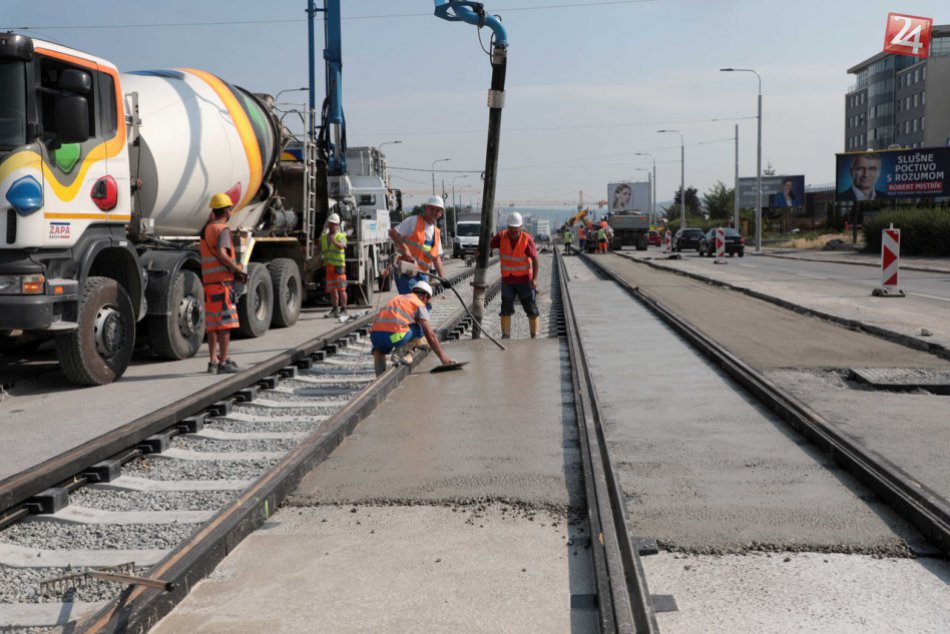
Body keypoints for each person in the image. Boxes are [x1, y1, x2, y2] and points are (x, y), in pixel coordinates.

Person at [201, 193, 248, 374]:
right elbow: (222, 253)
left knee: (213, 325)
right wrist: (237, 269)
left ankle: (213, 361)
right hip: (223, 283)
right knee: (226, 324)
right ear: (227, 211)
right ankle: (224, 361)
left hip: (209, 284)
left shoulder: (207, 230)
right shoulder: (223, 230)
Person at [369, 280, 454, 376]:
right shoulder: (419, 304)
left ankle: (380, 377)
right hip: (394, 337)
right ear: (425, 297)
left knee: (380, 351)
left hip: (375, 338)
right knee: (419, 329)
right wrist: (443, 358)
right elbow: (430, 335)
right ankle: (399, 353)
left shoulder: (398, 298)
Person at [490, 212, 540, 339]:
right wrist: (480, 251)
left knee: (531, 308)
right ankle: (505, 336)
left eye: (515, 229)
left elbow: (535, 260)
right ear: (507, 227)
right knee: (505, 309)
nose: (512, 232)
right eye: (510, 228)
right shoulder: (501, 237)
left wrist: (534, 278)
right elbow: (488, 245)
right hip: (507, 281)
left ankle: (534, 335)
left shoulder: (527, 239)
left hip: (524, 281)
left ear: (520, 227)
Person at [388, 195, 449, 295]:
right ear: (426, 208)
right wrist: (405, 249)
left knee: (422, 303)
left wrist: (443, 278)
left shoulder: (436, 233)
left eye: (438, 210)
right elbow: (393, 233)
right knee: (413, 302)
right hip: (406, 270)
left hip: (422, 274)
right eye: (432, 209)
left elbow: (436, 258)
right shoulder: (413, 221)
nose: (434, 212)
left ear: (441, 213)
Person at [320, 212, 347, 318]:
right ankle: (335, 309)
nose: (330, 225)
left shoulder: (342, 235)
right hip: (329, 266)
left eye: (332, 223)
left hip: (338, 266)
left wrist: (334, 241)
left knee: (341, 289)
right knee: (332, 289)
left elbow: (343, 246)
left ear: (337, 225)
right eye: (329, 223)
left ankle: (344, 309)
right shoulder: (324, 237)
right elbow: (322, 250)